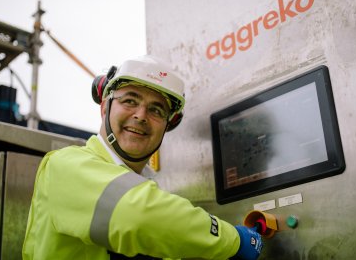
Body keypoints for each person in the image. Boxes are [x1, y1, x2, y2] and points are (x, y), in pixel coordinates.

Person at [22, 55, 263, 259]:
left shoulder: (154, 205)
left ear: (168, 125)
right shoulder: (65, 166)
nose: (141, 115)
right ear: (104, 107)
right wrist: (235, 240)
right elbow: (135, 215)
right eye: (130, 101)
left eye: (156, 110)